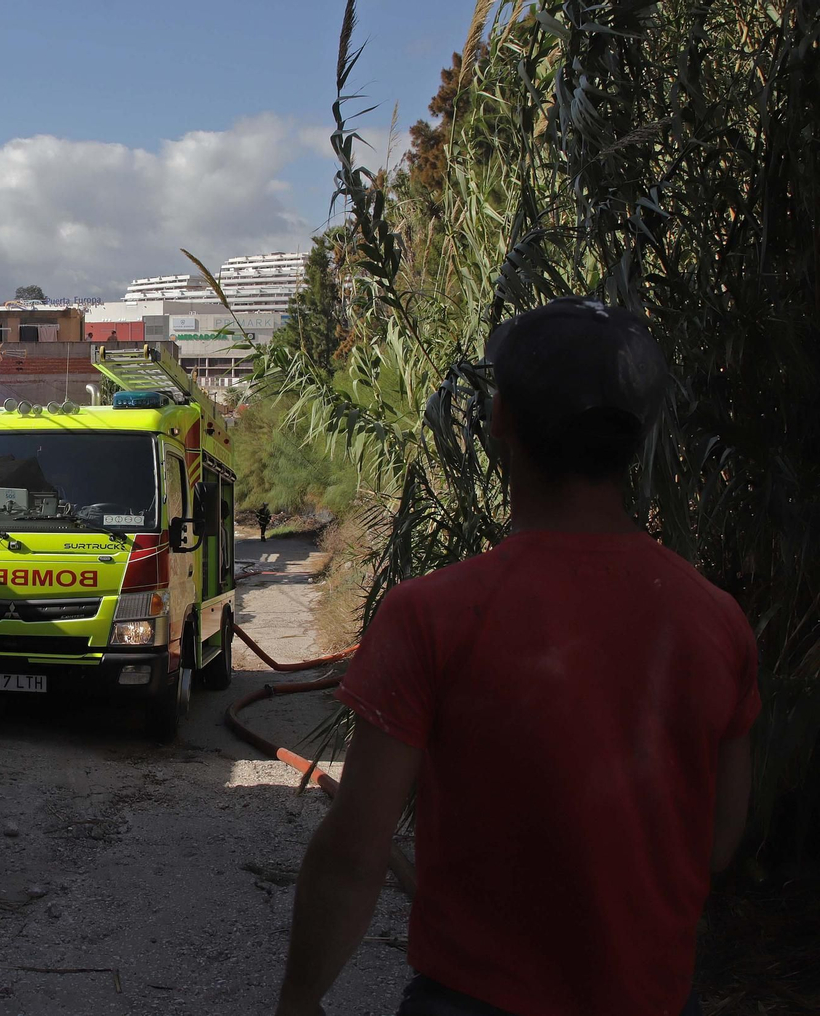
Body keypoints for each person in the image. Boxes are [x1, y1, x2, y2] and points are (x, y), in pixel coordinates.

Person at [273, 298, 759, 1016]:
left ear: (500, 419)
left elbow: (355, 853)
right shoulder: (717, 622)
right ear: (639, 434)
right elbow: (717, 842)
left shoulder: (431, 614)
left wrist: (298, 998)